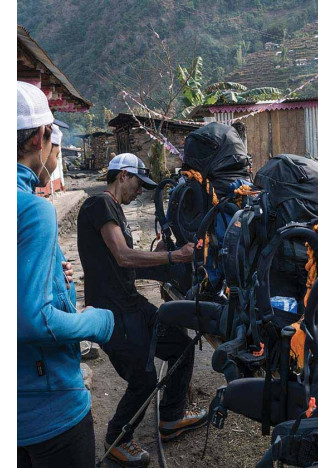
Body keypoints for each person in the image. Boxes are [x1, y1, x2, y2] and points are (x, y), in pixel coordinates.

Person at [77, 153, 207, 467]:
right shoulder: (100, 205)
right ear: (122, 175)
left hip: (130, 304)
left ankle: (171, 418)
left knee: (180, 345)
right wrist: (175, 256)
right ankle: (117, 438)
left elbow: (123, 267)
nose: (140, 191)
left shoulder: (115, 212)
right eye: (138, 183)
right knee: (144, 378)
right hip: (113, 314)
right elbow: (122, 256)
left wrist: (160, 257)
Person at [17, 81, 115, 468]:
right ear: (40, 138)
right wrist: (94, 321)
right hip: (44, 406)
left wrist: (51, 279)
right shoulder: (31, 210)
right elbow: (33, 320)